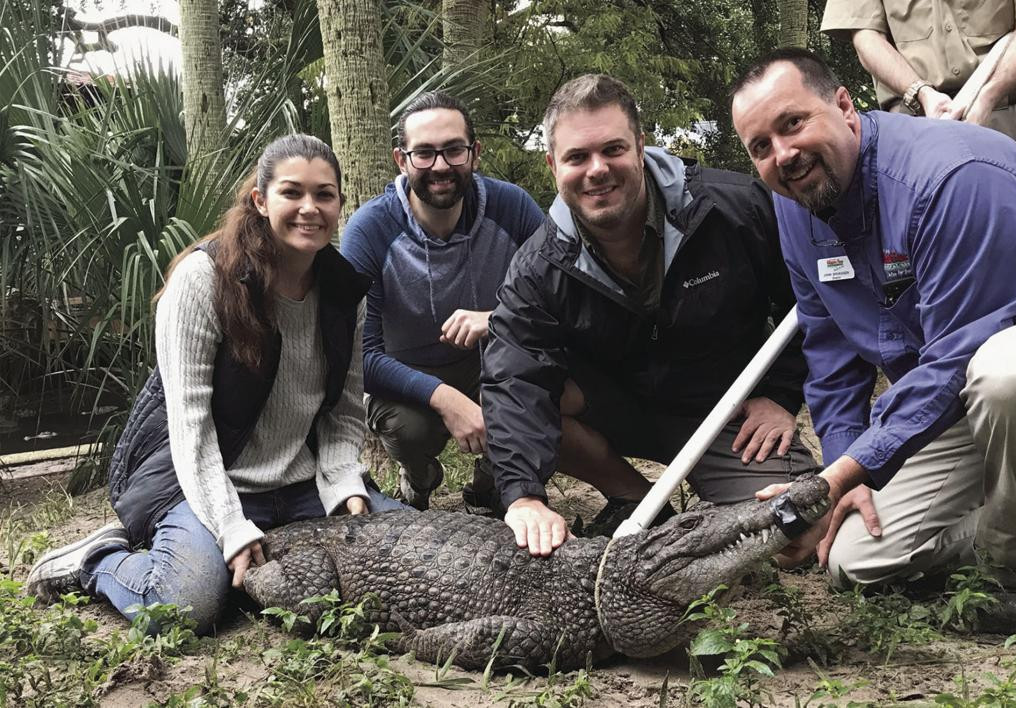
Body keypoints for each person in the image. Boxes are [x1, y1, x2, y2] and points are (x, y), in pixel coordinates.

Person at [729, 49, 1016, 633]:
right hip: (968, 386)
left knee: (1012, 371)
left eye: (793, 123)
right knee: (855, 556)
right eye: (760, 146)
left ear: (844, 106)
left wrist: (835, 476)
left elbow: (960, 353)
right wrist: (844, 474)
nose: (783, 155)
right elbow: (833, 356)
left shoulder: (950, 174)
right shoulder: (798, 207)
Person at [25, 134, 408, 633]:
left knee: (407, 548)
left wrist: (345, 486)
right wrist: (229, 524)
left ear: (339, 203)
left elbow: (343, 413)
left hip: (301, 484)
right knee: (185, 606)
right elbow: (191, 427)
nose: (309, 208)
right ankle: (97, 561)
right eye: (292, 192)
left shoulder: (344, 291)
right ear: (260, 199)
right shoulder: (203, 280)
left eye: (324, 194)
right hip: (200, 481)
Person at [482, 73, 819, 557]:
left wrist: (780, 394)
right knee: (523, 380)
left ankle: (723, 491)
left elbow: (809, 300)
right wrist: (523, 496)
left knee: (801, 535)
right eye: (577, 157)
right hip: (619, 409)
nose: (597, 169)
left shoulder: (735, 207)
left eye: (613, 149)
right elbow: (514, 378)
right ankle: (637, 499)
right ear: (552, 165)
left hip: (727, 413)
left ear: (640, 147)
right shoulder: (538, 266)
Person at [340, 92, 543, 511]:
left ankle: (492, 485)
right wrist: (446, 399)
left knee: (537, 387)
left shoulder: (513, 207)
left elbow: (559, 297)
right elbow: (358, 352)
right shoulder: (370, 230)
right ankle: (419, 476)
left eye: (453, 150)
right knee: (410, 430)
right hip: (403, 372)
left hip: (492, 359)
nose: (440, 167)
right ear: (402, 160)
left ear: (475, 153)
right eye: (425, 153)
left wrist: (499, 318)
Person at [820, 0, 1016, 167]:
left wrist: (988, 95)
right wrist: (921, 92)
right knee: (922, 243)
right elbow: (865, 37)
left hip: (1004, 114)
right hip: (914, 123)